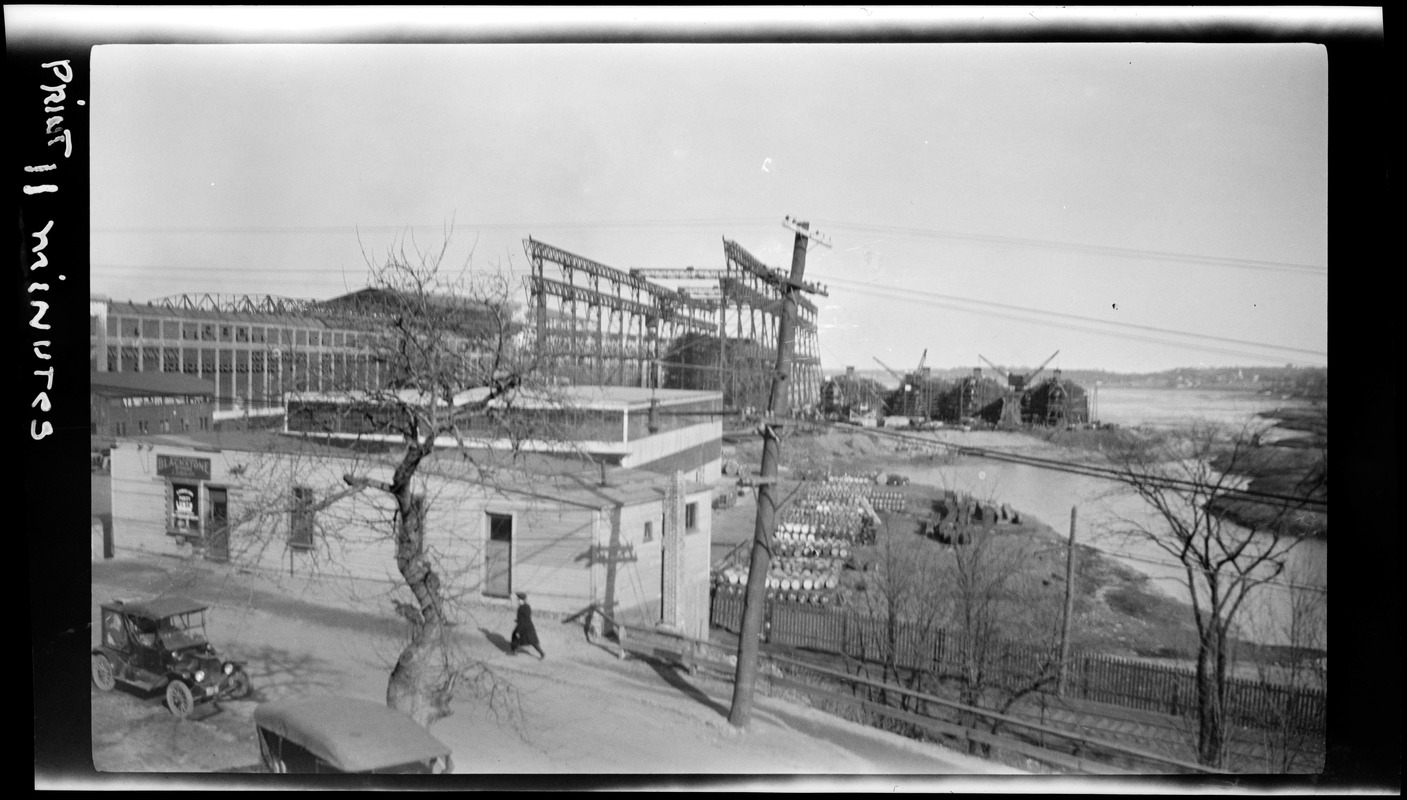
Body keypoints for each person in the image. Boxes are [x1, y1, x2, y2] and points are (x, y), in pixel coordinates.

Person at [510, 592, 544, 659]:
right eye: (518, 599)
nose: (518, 601)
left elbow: (523, 620)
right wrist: (518, 620)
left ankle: (542, 653)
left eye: (519, 600)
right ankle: (514, 651)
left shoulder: (522, 608)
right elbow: (525, 618)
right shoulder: (527, 606)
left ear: (522, 600)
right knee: (531, 641)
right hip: (528, 626)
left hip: (523, 627)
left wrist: (518, 631)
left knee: (517, 637)